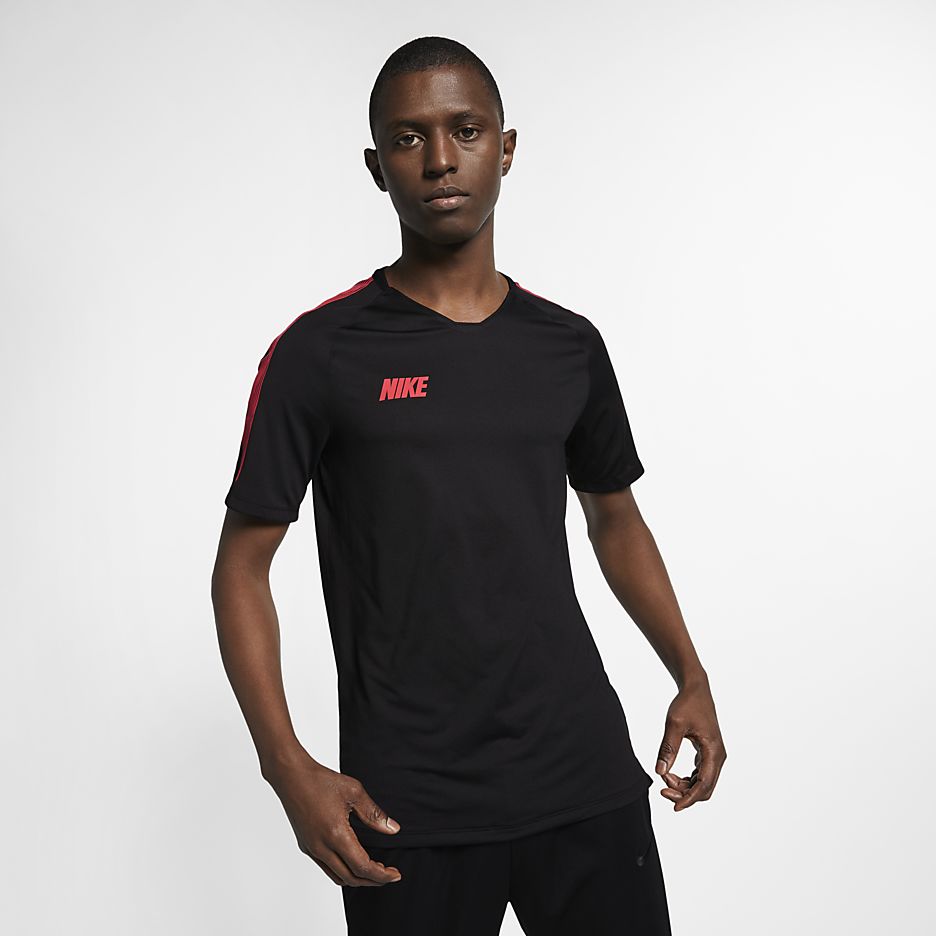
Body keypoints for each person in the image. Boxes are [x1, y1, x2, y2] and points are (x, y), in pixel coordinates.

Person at [211, 35, 726, 936]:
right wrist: (286, 767)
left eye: (466, 130)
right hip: (408, 807)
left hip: (582, 778)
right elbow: (240, 569)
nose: (440, 159)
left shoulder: (568, 346)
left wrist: (690, 672)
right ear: (376, 167)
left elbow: (614, 516)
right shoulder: (319, 354)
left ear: (507, 148)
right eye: (408, 138)